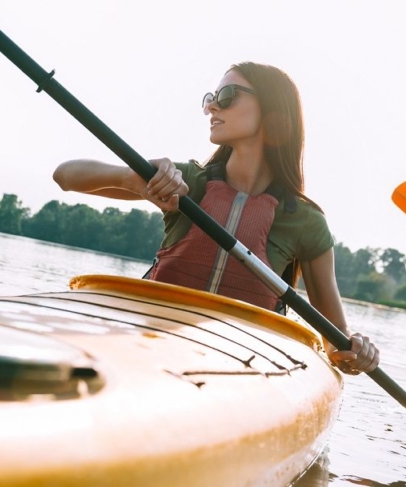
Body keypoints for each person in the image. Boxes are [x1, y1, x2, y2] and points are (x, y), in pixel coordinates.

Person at [52, 62, 378, 375]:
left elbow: (338, 347)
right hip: (150, 344)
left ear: (272, 109)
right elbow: (65, 175)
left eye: (227, 97)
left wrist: (357, 353)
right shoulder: (190, 182)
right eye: (210, 99)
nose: (212, 108)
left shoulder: (306, 221)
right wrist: (134, 179)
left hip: (238, 368)